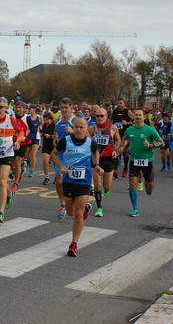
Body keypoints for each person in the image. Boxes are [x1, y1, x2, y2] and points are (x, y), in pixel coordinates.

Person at [51, 117, 103, 256]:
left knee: (78, 214)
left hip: (84, 182)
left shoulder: (90, 143)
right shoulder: (65, 141)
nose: (79, 130)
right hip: (68, 182)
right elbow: (53, 154)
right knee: (70, 213)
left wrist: (96, 165)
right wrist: (60, 166)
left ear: (87, 129)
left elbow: (95, 152)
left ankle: (73, 244)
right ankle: (85, 208)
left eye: (82, 127)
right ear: (73, 128)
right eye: (77, 127)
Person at [121, 109, 164, 217]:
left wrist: (150, 145)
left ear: (144, 117)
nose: (137, 117)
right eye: (136, 115)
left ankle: (148, 187)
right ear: (133, 117)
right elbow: (125, 139)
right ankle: (135, 208)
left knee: (150, 187)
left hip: (147, 160)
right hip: (134, 160)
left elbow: (161, 143)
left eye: (140, 115)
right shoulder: (130, 130)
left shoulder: (150, 130)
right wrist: (122, 146)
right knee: (132, 184)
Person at [87, 107, 121, 217]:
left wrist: (115, 150)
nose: (100, 118)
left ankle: (107, 190)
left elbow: (118, 139)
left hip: (108, 159)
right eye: (97, 116)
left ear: (106, 116)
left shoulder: (113, 128)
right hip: (96, 159)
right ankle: (99, 208)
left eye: (102, 116)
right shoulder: (91, 129)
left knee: (107, 186)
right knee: (97, 185)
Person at [53, 98, 75, 219]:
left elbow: (86, 135)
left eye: (66, 107)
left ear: (71, 108)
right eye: (62, 107)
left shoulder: (75, 120)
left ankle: (74, 201)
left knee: (71, 182)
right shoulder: (58, 120)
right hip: (60, 155)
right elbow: (55, 133)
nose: (64, 110)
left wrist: (73, 131)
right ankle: (63, 204)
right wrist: (55, 139)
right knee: (59, 181)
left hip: (73, 156)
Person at [111, 98, 133, 178]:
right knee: (115, 151)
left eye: (121, 103)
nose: (119, 104)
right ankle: (115, 170)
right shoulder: (115, 111)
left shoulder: (127, 112)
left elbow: (135, 121)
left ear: (124, 104)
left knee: (125, 152)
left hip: (125, 135)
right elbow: (111, 121)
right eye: (118, 103)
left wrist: (127, 123)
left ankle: (126, 167)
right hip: (116, 135)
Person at [26, 104, 42, 178]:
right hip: (29, 136)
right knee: (27, 154)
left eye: (31, 108)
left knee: (33, 153)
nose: (29, 110)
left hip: (37, 136)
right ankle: (28, 160)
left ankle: (32, 171)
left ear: (34, 109)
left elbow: (43, 126)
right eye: (29, 109)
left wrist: (41, 127)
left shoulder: (39, 117)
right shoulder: (27, 117)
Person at [40, 113, 55, 185]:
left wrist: (50, 136)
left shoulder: (55, 126)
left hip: (53, 145)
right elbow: (43, 134)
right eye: (45, 120)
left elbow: (56, 136)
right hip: (46, 145)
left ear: (51, 119)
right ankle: (47, 177)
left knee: (55, 163)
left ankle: (57, 176)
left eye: (47, 120)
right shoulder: (44, 125)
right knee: (45, 161)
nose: (46, 121)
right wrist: (42, 134)